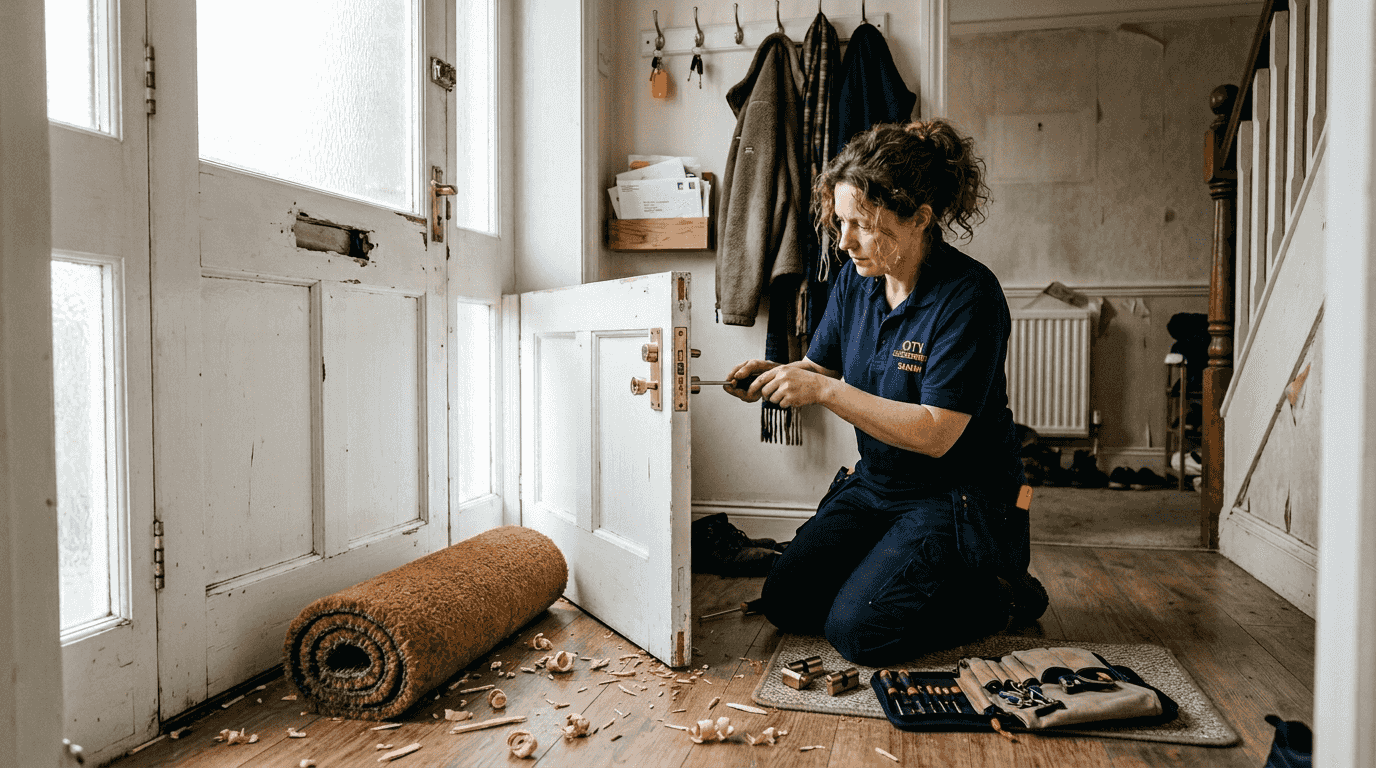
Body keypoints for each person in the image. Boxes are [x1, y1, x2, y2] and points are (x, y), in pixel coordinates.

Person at [724, 119, 1047, 667]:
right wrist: (777, 373)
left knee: (857, 631)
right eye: (842, 222)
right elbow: (819, 367)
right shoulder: (857, 279)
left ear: (920, 218)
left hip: (960, 497)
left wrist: (823, 391)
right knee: (785, 599)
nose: (844, 241)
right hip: (877, 485)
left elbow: (936, 433)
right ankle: (895, 575)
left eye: (863, 225)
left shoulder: (971, 298)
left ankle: (1003, 592)